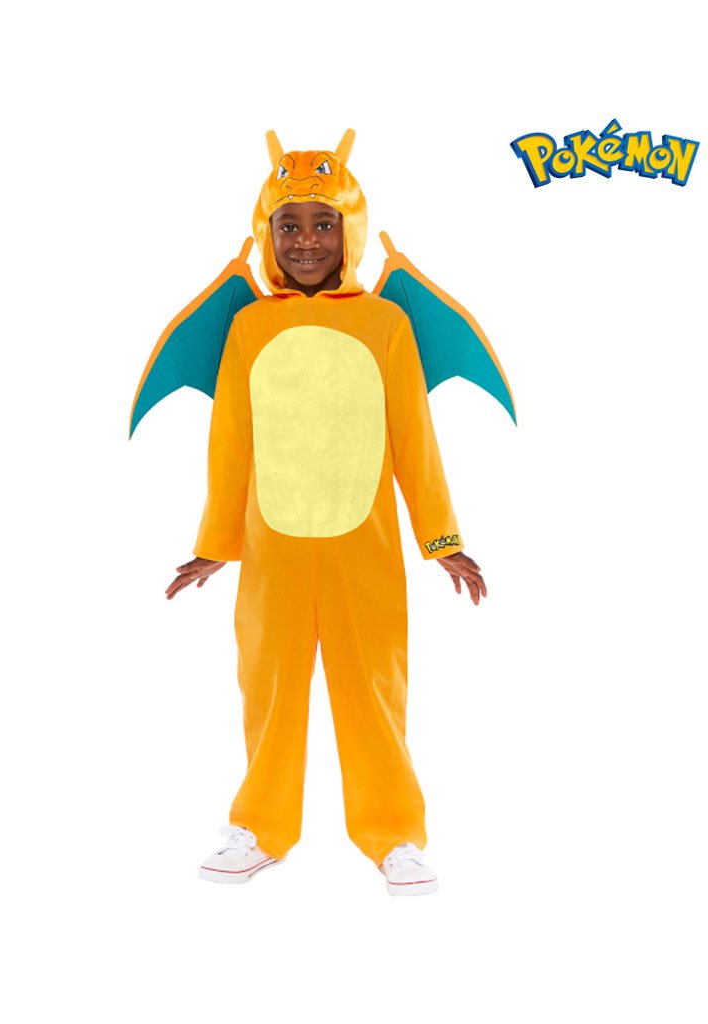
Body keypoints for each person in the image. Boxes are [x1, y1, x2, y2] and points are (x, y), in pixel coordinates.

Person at [165, 131, 487, 896]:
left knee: (372, 686)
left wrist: (441, 539)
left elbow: (414, 439)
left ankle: (393, 834)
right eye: (289, 224)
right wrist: (216, 542)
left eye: (322, 224)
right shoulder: (249, 326)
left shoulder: (386, 323)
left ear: (351, 229)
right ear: (266, 232)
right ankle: (260, 827)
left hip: (362, 549)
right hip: (271, 548)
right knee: (268, 687)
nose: (306, 240)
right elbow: (231, 443)